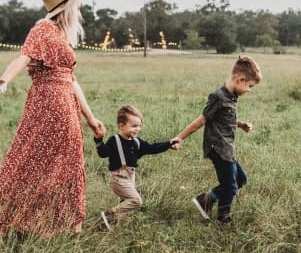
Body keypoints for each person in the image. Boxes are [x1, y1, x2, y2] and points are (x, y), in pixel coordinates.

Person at [0, 0, 104, 240]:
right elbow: (23, 57)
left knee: (67, 164)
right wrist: (0, 86)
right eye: (76, 6)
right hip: (49, 104)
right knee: (30, 164)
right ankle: (22, 223)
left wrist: (91, 118)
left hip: (65, 104)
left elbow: (71, 79)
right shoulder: (43, 29)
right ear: (66, 8)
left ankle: (61, 225)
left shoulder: (61, 35)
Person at [173, 55, 262, 225]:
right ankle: (223, 219)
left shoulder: (231, 97)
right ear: (240, 79)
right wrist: (180, 137)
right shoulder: (218, 97)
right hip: (218, 149)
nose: (249, 90)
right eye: (250, 86)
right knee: (231, 186)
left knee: (241, 179)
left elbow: (223, 120)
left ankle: (207, 199)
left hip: (227, 149)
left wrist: (241, 124)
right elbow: (201, 120)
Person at [95, 104, 178, 229]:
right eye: (134, 126)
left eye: (139, 126)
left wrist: (169, 144)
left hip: (130, 176)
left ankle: (118, 229)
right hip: (118, 177)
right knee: (136, 201)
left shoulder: (136, 142)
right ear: (121, 125)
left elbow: (153, 148)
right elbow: (103, 153)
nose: (137, 129)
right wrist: (99, 140)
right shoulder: (114, 140)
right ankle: (109, 215)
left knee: (126, 206)